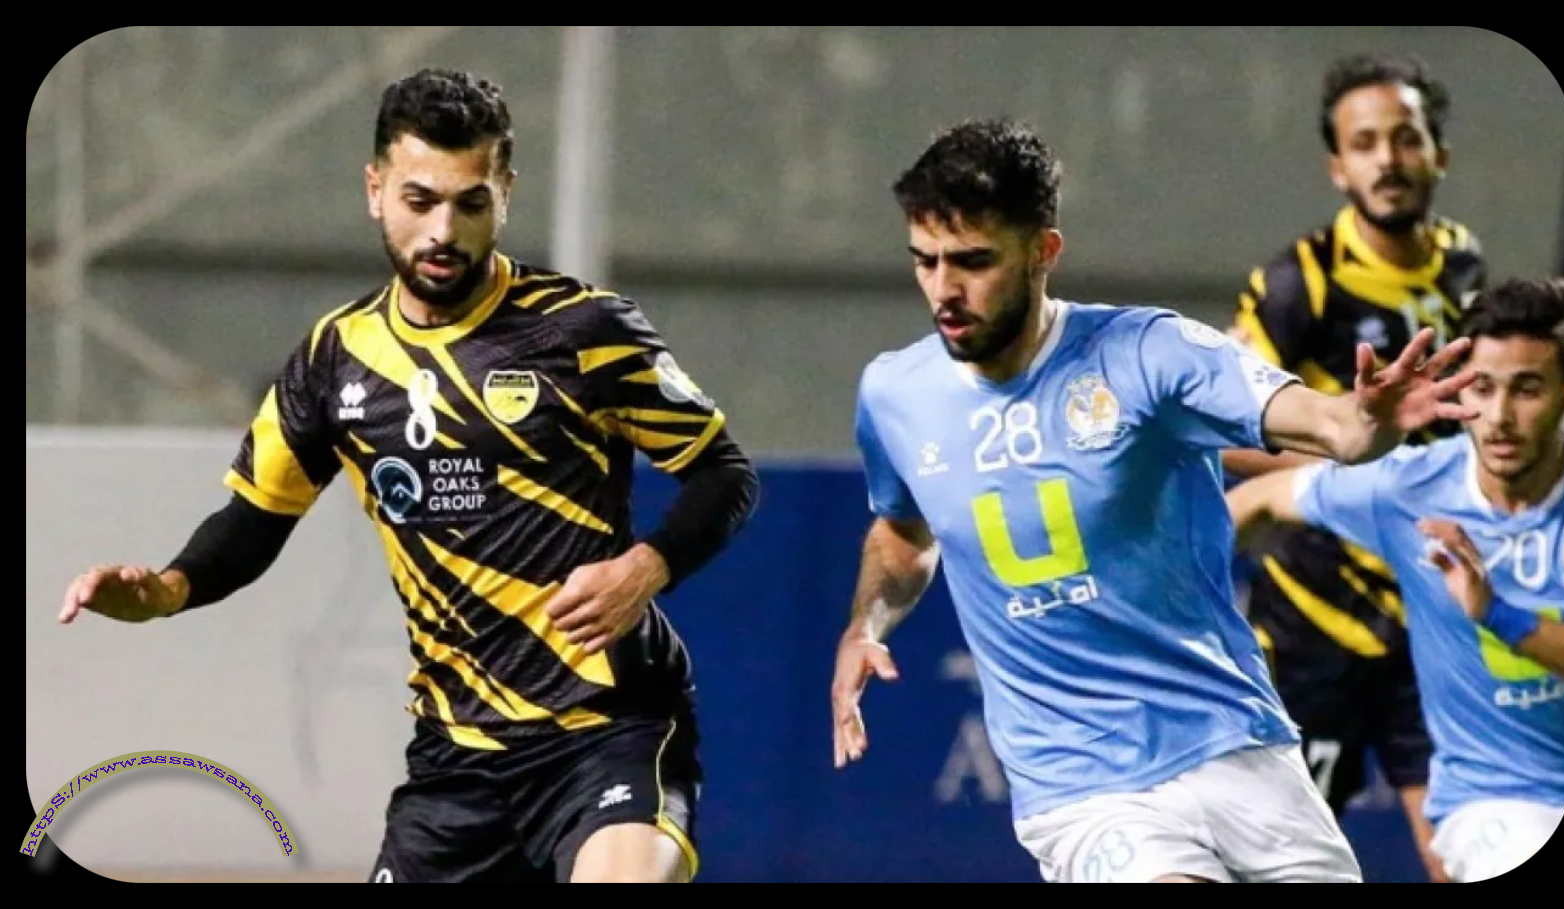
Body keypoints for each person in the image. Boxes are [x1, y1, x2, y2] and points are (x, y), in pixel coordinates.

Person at [57, 67, 760, 884]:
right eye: (419, 200)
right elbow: (254, 521)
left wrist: (646, 567)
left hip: (607, 730)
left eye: (471, 203)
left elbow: (724, 473)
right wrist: (166, 588)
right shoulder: (333, 359)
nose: (443, 231)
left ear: (505, 194)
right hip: (457, 762)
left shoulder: (583, 330)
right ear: (375, 190)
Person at [829, 117, 1479, 883]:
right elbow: (904, 533)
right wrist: (864, 625)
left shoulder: (1148, 353)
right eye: (926, 260)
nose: (944, 288)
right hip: (1083, 785)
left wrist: (1366, 419)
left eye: (973, 260)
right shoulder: (894, 393)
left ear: (1043, 251)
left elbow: (1331, 425)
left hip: (1237, 742)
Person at [1222, 52, 1486, 882]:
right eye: (1364, 143)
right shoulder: (1299, 281)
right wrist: (1346, 445)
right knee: (1280, 866)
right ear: (1338, 166)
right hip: (1315, 621)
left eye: (1405, 138)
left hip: (1435, 611)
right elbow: (1220, 425)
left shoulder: (1464, 264)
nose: (1387, 159)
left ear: (1438, 153)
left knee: (1466, 853)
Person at [1227, 277, 1564, 883]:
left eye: (1526, 389)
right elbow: (1258, 500)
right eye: (1482, 388)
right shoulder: (1410, 487)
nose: (1499, 417)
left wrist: (1497, 613)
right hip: (1496, 798)